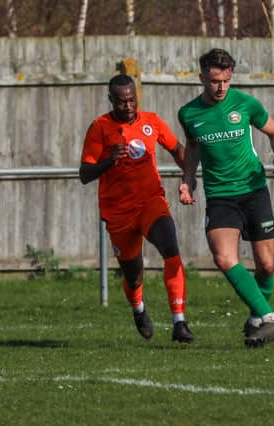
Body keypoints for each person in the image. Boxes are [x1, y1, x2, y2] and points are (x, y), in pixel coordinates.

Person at [177, 48, 274, 348]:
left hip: (254, 191)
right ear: (202, 77)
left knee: (266, 266)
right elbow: (193, 148)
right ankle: (269, 319)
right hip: (220, 196)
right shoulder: (189, 113)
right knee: (224, 258)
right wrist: (188, 180)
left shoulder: (246, 104)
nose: (221, 87)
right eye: (214, 81)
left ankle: (256, 322)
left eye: (226, 80)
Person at [79, 74, 194, 344]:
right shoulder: (100, 128)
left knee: (170, 246)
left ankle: (179, 321)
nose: (128, 106)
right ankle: (138, 309)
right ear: (111, 100)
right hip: (118, 213)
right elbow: (84, 173)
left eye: (132, 100)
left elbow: (178, 150)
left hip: (150, 202)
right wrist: (109, 161)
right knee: (133, 276)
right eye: (122, 102)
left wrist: (190, 179)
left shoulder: (151, 122)